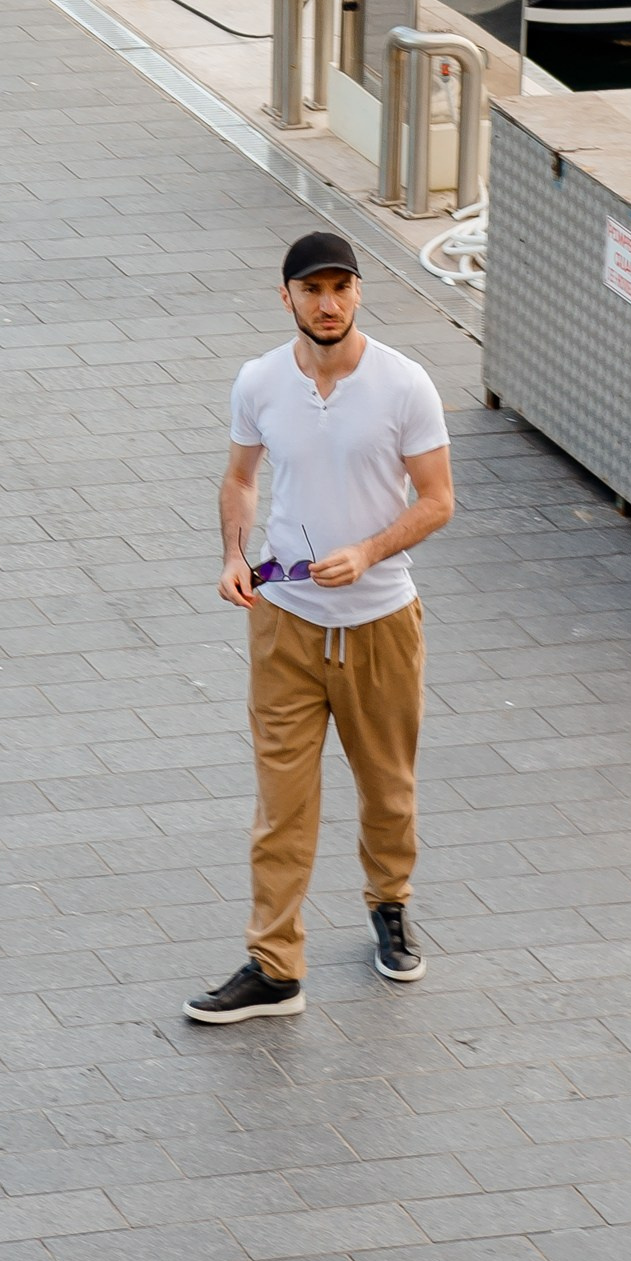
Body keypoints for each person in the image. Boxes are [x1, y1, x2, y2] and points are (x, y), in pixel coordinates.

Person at [187, 229, 454, 1024]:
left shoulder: (405, 384)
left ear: (359, 292)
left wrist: (369, 549)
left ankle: (391, 902)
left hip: (380, 623)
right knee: (282, 801)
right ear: (288, 298)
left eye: (341, 286)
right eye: (312, 289)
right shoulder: (260, 380)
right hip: (287, 625)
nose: (328, 302)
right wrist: (236, 553)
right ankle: (275, 965)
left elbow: (438, 498)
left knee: (387, 789)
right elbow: (240, 477)